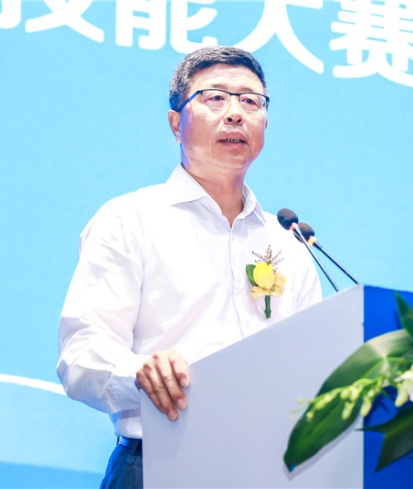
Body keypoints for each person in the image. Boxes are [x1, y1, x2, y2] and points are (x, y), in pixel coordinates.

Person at [57, 46, 322, 488]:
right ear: (175, 122)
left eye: (250, 101)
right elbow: (80, 356)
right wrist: (139, 373)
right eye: (215, 98)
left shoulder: (288, 243)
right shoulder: (130, 219)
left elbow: (312, 365)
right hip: (157, 465)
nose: (235, 113)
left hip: (269, 472)